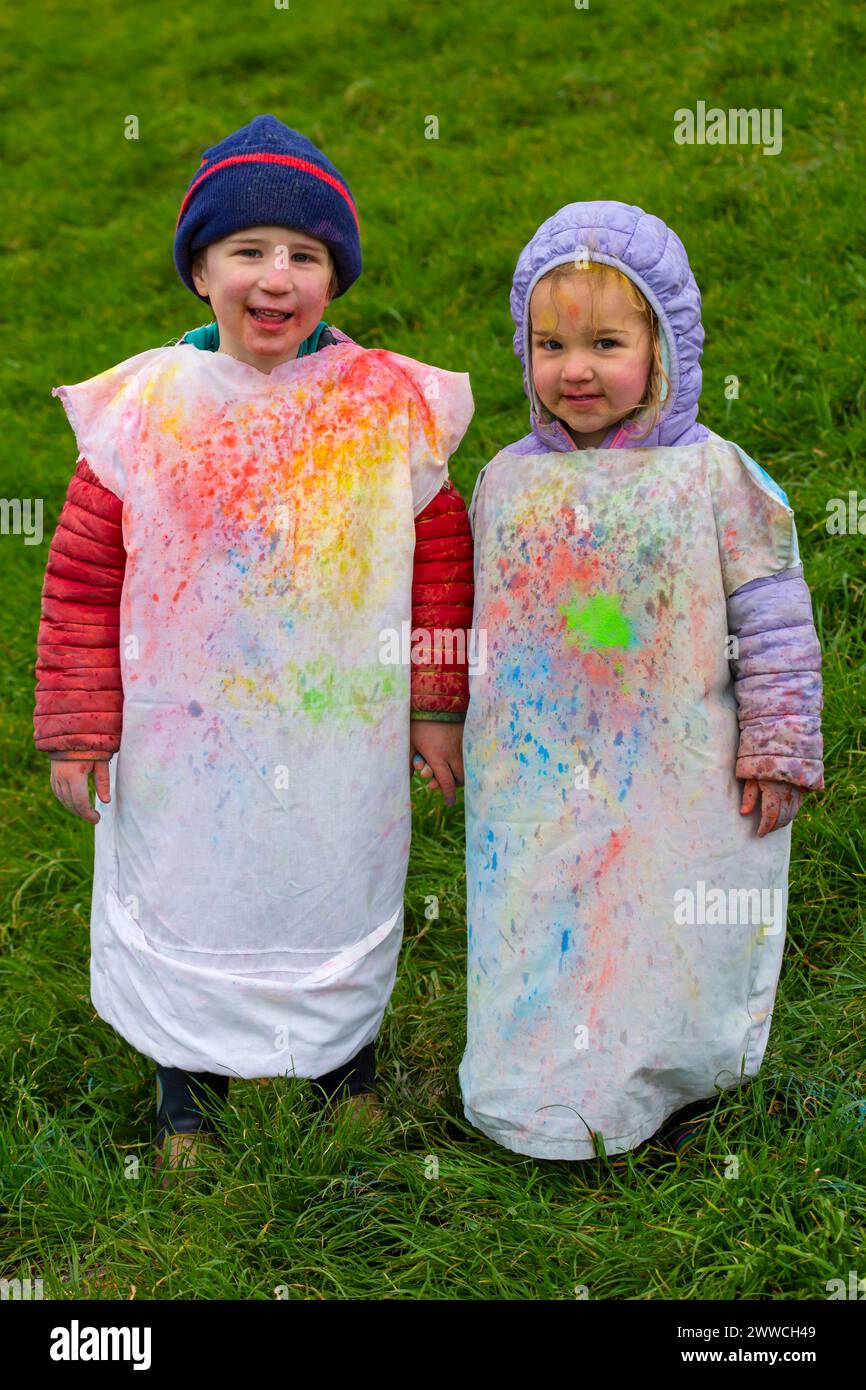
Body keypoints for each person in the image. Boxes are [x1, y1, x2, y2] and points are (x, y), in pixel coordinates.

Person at [34, 115, 474, 1183]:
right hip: (186, 736)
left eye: (305, 256)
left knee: (335, 883)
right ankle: (186, 1091)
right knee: (196, 889)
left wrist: (431, 699)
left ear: (334, 278)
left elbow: (439, 557)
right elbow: (85, 580)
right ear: (200, 270)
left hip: (335, 731)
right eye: (248, 251)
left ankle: (343, 1070)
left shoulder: (383, 407)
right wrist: (81, 727)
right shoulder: (145, 412)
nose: (276, 277)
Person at [459, 201, 824, 1161]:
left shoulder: (715, 477)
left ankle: (673, 1080)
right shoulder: (505, 482)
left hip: (675, 769)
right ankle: (536, 1095)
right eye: (550, 344)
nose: (575, 369)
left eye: (606, 342)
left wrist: (779, 743)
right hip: (534, 778)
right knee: (540, 924)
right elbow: (476, 619)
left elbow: (775, 619)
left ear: (665, 348)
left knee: (666, 920)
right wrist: (441, 714)